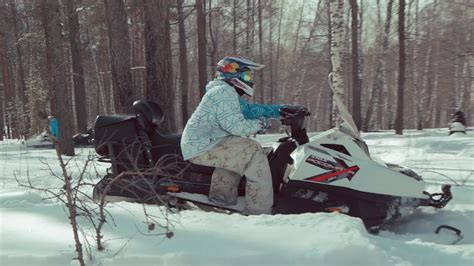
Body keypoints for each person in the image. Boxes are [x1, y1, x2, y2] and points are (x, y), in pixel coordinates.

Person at [180, 56, 284, 215]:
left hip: (204, 144)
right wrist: (266, 124)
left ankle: (222, 199)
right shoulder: (224, 91)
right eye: (247, 76)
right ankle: (259, 211)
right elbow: (238, 127)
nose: (250, 80)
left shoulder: (222, 91)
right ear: (234, 75)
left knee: (239, 148)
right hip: (203, 146)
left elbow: (248, 111)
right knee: (253, 150)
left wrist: (280, 110)